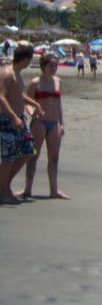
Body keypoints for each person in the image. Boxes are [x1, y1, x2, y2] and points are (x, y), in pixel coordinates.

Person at [20, 53, 69, 199]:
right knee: (33, 156)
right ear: (43, 66)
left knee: (54, 158)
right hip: (39, 123)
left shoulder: (58, 81)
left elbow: (59, 103)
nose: (54, 68)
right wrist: (32, 113)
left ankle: (54, 190)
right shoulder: (35, 82)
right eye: (51, 65)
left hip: (54, 123)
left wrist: (62, 123)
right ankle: (27, 189)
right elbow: (27, 101)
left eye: (55, 65)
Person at [0, 44, 39, 204]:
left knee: (28, 151)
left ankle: (4, 185)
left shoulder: (17, 74)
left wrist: (35, 103)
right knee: (8, 157)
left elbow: (18, 94)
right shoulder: (7, 74)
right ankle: (3, 192)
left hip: (19, 119)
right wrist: (13, 117)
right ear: (26, 59)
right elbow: (1, 97)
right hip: (8, 120)